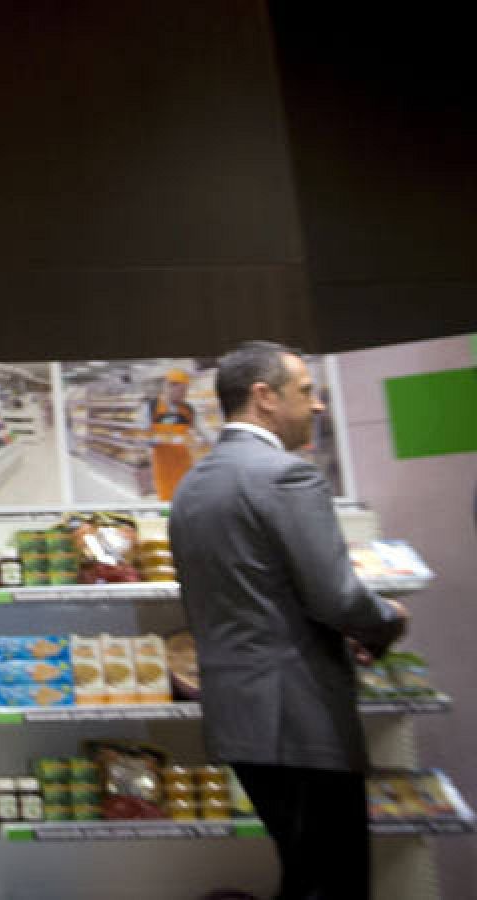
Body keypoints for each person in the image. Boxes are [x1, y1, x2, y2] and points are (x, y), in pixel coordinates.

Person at [169, 341, 408, 900]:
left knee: (303, 873)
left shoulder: (190, 489)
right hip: (303, 717)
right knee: (335, 882)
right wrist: (387, 620)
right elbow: (337, 598)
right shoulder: (286, 476)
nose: (318, 405)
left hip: (240, 718)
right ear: (263, 397)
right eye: (305, 391)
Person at [146, 367, 209, 501]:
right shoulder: (151, 408)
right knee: (166, 507)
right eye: (181, 391)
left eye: (186, 391)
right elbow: (140, 435)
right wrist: (159, 439)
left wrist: (223, 440)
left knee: (186, 501)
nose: (184, 395)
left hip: (185, 467)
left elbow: (206, 432)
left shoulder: (188, 410)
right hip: (163, 470)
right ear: (169, 387)